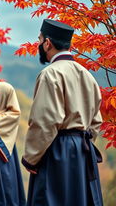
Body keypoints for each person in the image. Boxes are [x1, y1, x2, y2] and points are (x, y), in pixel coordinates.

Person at [22, 19, 103, 206]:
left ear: (47, 43)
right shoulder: (87, 75)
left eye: (40, 40)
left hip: (57, 151)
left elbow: (45, 122)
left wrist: (31, 159)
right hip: (83, 152)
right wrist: (83, 145)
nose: (39, 44)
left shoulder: (50, 74)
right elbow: (96, 122)